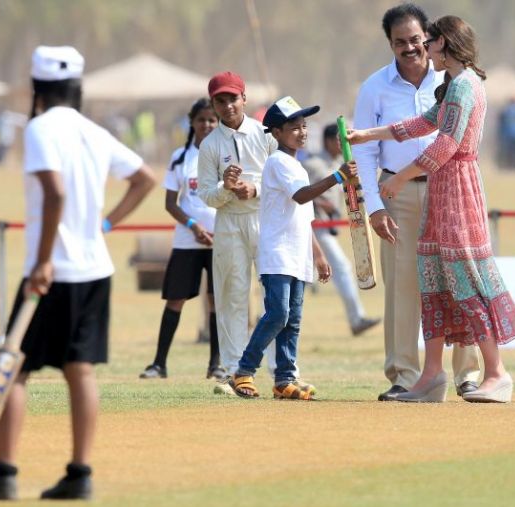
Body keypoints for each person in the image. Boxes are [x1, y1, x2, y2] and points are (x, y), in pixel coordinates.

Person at [0, 45, 155, 500]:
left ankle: (5, 472)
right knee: (80, 370)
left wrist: (43, 260)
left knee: (14, 369)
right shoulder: (93, 131)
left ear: (37, 89)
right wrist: (105, 224)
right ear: (78, 88)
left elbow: (54, 194)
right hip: (95, 270)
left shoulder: (39, 129)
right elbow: (145, 178)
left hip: (52, 270)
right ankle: (79, 474)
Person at [349, 16, 515, 403]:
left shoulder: (465, 87)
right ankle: (431, 376)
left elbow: (445, 144)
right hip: (442, 191)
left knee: (466, 281)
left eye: (428, 41)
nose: (425, 50)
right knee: (433, 281)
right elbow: (420, 124)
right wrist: (368, 135)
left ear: (444, 43)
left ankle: (495, 372)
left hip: (457, 189)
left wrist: (397, 179)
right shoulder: (453, 86)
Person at [231, 96, 356, 400]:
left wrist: (318, 254)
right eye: (293, 127)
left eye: (304, 126)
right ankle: (243, 371)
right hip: (277, 254)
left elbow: (305, 216)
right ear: (276, 132)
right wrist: (338, 176)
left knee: (293, 320)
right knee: (277, 314)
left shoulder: (297, 165)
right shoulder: (277, 162)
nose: (301, 132)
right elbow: (302, 196)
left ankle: (285, 379)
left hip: (298, 254)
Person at [197, 71, 279, 395]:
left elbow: (282, 180)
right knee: (232, 296)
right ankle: (234, 371)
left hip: (264, 219)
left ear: (244, 98)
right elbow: (206, 194)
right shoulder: (210, 145)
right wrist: (226, 187)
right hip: (229, 223)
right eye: (221, 100)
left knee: (276, 296)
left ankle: (281, 371)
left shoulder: (266, 134)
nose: (228, 105)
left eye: (233, 98)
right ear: (214, 104)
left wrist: (255, 189)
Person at [139, 98, 224, 381]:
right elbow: (171, 203)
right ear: (192, 122)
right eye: (202, 120)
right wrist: (193, 226)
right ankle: (159, 364)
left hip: (220, 241)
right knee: (175, 299)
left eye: (212, 120)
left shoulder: (228, 155)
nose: (207, 125)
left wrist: (218, 230)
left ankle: (216, 364)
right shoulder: (180, 157)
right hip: (187, 241)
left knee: (217, 302)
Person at [302, 124, 381, 336]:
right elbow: (300, 192)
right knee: (341, 268)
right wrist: (320, 201)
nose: (344, 144)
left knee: (305, 276)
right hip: (313, 227)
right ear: (328, 141)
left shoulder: (339, 163)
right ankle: (357, 319)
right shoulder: (314, 164)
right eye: (340, 140)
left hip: (325, 227)